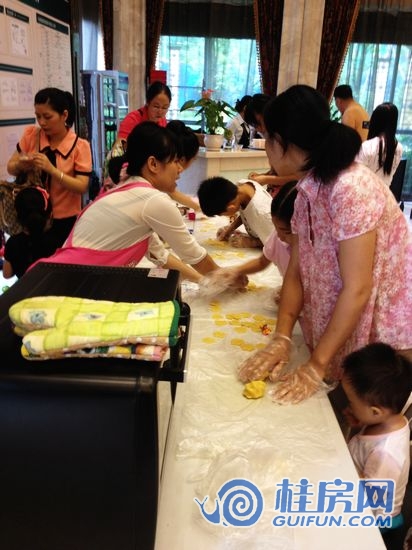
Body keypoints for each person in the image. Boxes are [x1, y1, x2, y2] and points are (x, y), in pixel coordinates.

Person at [238, 84, 412, 405]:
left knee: (363, 418)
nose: (266, 150)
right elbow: (296, 271)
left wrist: (316, 365)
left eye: (266, 138)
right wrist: (281, 336)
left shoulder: (350, 188)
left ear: (283, 142)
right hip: (345, 327)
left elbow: (358, 288)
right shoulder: (308, 188)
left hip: (383, 342)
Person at [30, 122, 246, 287]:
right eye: (174, 161)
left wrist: (203, 281)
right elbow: (195, 255)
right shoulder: (153, 200)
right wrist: (229, 279)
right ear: (153, 164)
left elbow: (160, 255)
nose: (180, 169)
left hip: (55, 279)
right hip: (71, 285)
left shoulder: (130, 190)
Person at [7, 87, 92, 247]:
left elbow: (81, 186)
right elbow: (10, 168)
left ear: (64, 115)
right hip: (31, 219)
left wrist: (52, 170)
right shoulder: (31, 135)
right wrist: (21, 164)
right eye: (38, 116)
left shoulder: (80, 146)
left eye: (47, 117)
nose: (42, 122)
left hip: (64, 222)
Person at [341, 343, 412, 537]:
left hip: (376, 519)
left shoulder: (385, 454)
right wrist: (362, 421)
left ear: (375, 412)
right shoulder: (390, 418)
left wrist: (344, 468)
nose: (348, 405)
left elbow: (371, 498)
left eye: (351, 402)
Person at [243, 93, 300, 195]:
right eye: (255, 125)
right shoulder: (270, 141)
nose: (259, 129)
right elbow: (277, 173)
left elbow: (300, 177)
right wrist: (261, 176)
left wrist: (266, 179)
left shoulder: (292, 140)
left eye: (259, 123)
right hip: (275, 195)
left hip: (291, 196)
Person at [197, 176, 273, 248]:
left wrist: (252, 242)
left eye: (221, 214)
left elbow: (275, 244)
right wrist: (230, 228)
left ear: (231, 208)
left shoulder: (262, 213)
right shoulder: (242, 186)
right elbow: (247, 212)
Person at [3, 187, 58, 279]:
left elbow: (7, 274)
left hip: (27, 287)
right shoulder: (54, 240)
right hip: (51, 286)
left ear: (18, 216)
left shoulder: (13, 243)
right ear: (47, 214)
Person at [356, 102, 403, 186]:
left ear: (375, 121)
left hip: (365, 191)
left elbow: (357, 175)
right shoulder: (399, 147)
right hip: (385, 192)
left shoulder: (367, 146)